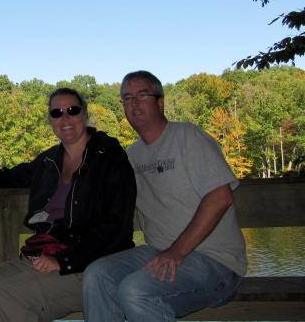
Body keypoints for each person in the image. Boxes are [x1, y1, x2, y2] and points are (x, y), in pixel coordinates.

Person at [0, 87, 137, 322]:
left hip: (91, 265)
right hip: (42, 254)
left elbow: (116, 227)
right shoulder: (49, 160)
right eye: (57, 113)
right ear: (50, 121)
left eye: (72, 110)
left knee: (10, 295)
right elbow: (10, 176)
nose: (65, 118)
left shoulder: (110, 157)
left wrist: (63, 260)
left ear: (85, 114)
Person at [83, 71, 247, 321]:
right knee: (97, 274)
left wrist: (176, 252)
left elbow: (220, 197)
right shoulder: (132, 156)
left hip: (216, 261)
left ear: (160, 102)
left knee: (135, 292)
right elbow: (107, 201)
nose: (134, 104)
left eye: (142, 95)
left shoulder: (188, 137)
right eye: (127, 98)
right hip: (158, 251)